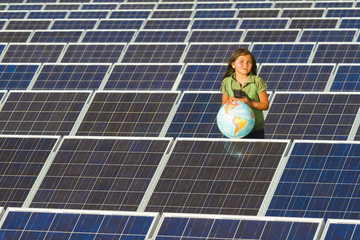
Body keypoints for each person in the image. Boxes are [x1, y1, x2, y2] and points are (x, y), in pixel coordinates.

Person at [220, 47, 269, 139]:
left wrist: (249, 103)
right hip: (233, 129)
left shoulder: (257, 81)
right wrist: (230, 103)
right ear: (233, 64)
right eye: (241, 61)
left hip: (255, 130)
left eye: (249, 62)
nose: (245, 64)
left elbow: (265, 105)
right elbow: (223, 106)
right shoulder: (227, 82)